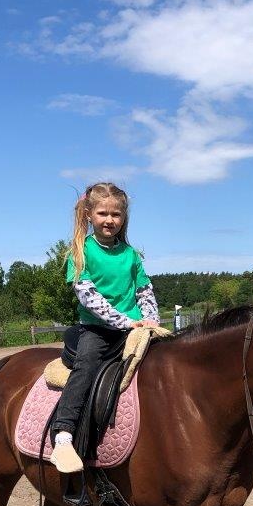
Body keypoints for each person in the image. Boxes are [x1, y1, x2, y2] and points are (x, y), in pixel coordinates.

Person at [50, 182, 159, 473]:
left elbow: (144, 290)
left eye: (116, 214)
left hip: (134, 327)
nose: (109, 220)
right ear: (89, 215)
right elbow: (89, 296)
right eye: (102, 213)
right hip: (98, 328)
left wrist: (150, 319)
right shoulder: (81, 252)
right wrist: (125, 321)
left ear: (124, 217)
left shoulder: (131, 254)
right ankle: (63, 433)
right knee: (86, 365)